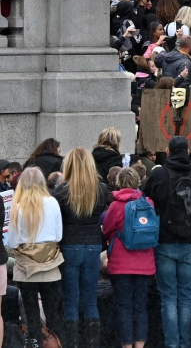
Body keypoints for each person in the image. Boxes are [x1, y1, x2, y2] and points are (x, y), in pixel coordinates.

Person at [143, 136, 191, 348]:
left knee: (168, 297)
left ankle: (172, 344)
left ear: (168, 152)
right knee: (186, 297)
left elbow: (146, 198)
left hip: (165, 241)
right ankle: (185, 343)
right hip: (190, 242)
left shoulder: (159, 174)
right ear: (188, 151)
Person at [52, 148, 108, 348]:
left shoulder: (62, 190)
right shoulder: (100, 189)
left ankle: (72, 344)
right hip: (93, 246)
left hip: (69, 247)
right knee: (91, 300)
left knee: (70, 301)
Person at [9, 166, 65, 348]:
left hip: (26, 267)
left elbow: (12, 242)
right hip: (50, 265)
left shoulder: (18, 207)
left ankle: (35, 343)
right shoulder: (53, 202)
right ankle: (58, 343)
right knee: (53, 312)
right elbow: (58, 237)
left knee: (31, 312)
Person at [102, 166, 156, 348]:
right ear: (138, 182)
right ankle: (140, 345)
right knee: (140, 306)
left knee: (124, 307)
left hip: (121, 264)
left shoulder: (115, 206)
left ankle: (126, 346)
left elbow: (107, 230)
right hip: (145, 263)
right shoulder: (148, 203)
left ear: (118, 183)